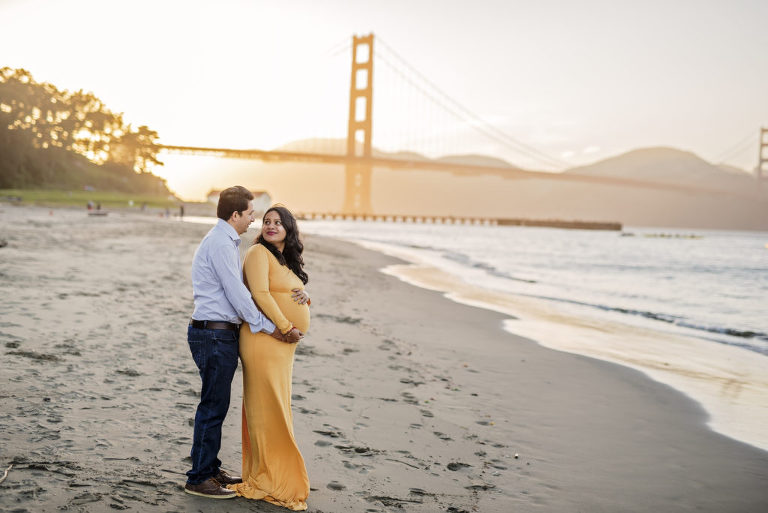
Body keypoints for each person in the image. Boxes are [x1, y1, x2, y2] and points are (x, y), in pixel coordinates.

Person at [184, 186, 299, 499]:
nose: (253, 220)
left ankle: (208, 469)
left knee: (215, 404)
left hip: (217, 333)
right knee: (213, 405)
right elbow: (238, 295)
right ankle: (199, 478)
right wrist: (269, 327)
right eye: (250, 214)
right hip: (214, 334)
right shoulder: (221, 243)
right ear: (235, 215)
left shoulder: (224, 240)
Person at [228, 205, 311, 510]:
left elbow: (286, 289)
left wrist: (305, 296)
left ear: (289, 228)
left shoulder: (283, 258)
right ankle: (266, 475)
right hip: (265, 340)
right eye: (266, 222)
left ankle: (275, 471)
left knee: (278, 406)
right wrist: (287, 326)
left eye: (278, 222)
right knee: (266, 407)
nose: (271, 226)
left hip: (283, 345)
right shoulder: (258, 254)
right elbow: (260, 295)